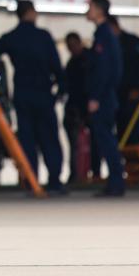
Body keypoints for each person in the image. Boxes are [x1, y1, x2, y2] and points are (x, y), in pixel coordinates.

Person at [0, 0, 66, 194]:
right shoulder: (44, 37)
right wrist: (59, 93)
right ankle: (55, 182)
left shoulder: (11, 37)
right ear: (31, 12)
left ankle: (31, 180)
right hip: (44, 95)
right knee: (50, 139)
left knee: (28, 140)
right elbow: (57, 68)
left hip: (23, 96)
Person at [85, 0, 126, 197]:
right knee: (105, 139)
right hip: (106, 95)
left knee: (106, 140)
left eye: (90, 7)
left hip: (103, 98)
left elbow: (105, 69)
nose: (87, 11)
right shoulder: (105, 34)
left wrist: (96, 96)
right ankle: (115, 181)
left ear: (100, 11)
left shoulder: (104, 35)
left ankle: (116, 182)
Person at [62, 32, 99, 184]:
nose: (72, 49)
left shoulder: (90, 59)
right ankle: (76, 172)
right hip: (75, 107)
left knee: (95, 141)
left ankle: (95, 171)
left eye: (73, 45)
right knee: (75, 143)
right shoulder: (72, 63)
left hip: (89, 106)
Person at [108, 15, 139, 146]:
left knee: (135, 135)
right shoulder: (108, 45)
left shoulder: (134, 42)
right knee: (121, 135)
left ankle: (136, 165)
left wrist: (138, 88)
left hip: (133, 96)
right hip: (117, 97)